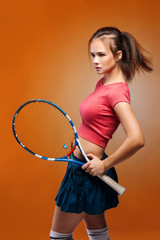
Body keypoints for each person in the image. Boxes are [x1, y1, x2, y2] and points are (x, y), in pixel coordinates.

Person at [50, 27, 153, 240]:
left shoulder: (116, 91)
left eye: (101, 55)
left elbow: (137, 139)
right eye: (93, 55)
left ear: (118, 55)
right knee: (97, 234)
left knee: (58, 237)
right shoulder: (103, 83)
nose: (95, 60)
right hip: (81, 166)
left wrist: (104, 165)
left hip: (88, 172)